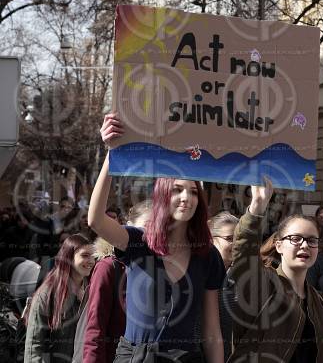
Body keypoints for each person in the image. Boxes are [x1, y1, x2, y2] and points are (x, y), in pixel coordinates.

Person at [88, 113, 225, 362]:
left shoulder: (208, 255)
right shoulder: (138, 242)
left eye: (193, 192)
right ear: (162, 194)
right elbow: (95, 220)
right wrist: (112, 155)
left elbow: (212, 330)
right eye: (177, 189)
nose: (186, 197)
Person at [229, 178, 323, 362]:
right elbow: (244, 256)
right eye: (295, 238)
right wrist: (257, 207)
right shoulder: (263, 284)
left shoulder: (322, 303)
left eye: (311, 240)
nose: (304, 245)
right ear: (278, 246)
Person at [80, 200, 151, 363]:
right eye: (144, 227)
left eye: (155, 228)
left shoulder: (163, 268)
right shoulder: (108, 267)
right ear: (128, 226)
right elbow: (95, 328)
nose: (147, 235)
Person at [24, 234, 95, 362]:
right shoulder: (47, 294)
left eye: (93, 256)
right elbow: (34, 345)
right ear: (68, 258)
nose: (91, 261)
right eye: (85, 255)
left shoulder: (93, 290)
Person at [208, 211, 240, 360]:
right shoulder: (201, 276)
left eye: (239, 239)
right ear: (212, 240)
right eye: (229, 238)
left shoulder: (244, 277)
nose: (236, 244)